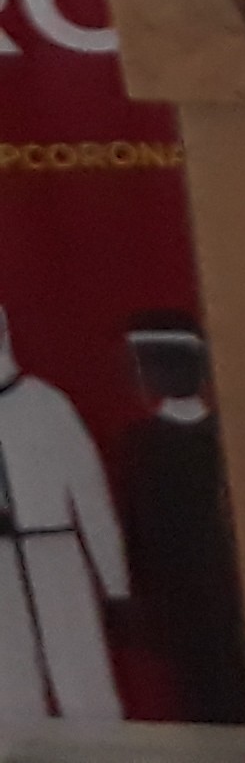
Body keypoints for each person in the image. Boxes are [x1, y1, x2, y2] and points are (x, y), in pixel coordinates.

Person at [115, 315, 243, 725]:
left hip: (222, 583)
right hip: (182, 589)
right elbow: (135, 526)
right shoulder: (141, 442)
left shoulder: (224, 436)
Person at [0, 309, 121, 722]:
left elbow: (90, 494)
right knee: (11, 686)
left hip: (55, 554)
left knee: (81, 675)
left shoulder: (46, 403)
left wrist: (114, 581)